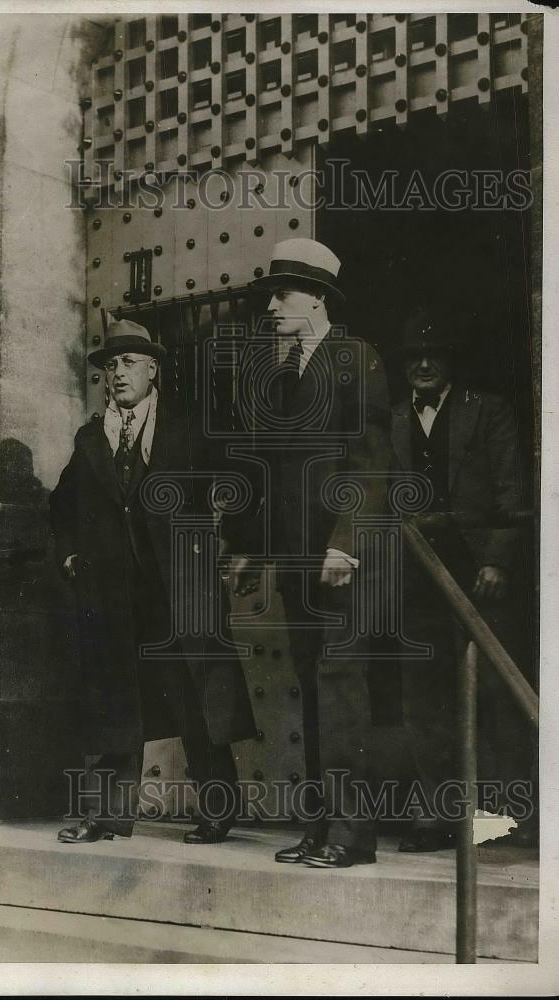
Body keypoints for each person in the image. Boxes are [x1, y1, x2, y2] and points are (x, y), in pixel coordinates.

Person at [50, 317, 255, 845]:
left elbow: (238, 482)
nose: (117, 374)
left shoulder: (186, 427)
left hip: (180, 587)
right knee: (116, 698)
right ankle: (108, 816)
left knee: (198, 698)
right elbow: (62, 505)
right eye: (110, 365)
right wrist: (71, 553)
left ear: (153, 370)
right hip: (118, 595)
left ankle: (216, 811)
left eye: (129, 363)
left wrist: (233, 543)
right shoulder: (91, 436)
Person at [232, 238, 394, 868]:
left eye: (284, 294)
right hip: (298, 561)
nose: (272, 306)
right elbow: (275, 475)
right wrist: (250, 548)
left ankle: (352, 835)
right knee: (313, 685)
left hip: (338, 561)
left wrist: (346, 544)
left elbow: (372, 464)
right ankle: (321, 828)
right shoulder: (284, 373)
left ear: (319, 298)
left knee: (341, 687)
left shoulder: (356, 359)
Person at [391, 307, 536, 850]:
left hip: (479, 578)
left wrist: (498, 559)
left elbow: (513, 497)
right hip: (417, 578)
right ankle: (438, 817)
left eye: (435, 356)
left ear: (451, 361)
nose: (424, 365)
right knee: (424, 701)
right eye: (414, 358)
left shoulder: (488, 412)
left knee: (496, 695)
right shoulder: (392, 421)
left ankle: (506, 817)